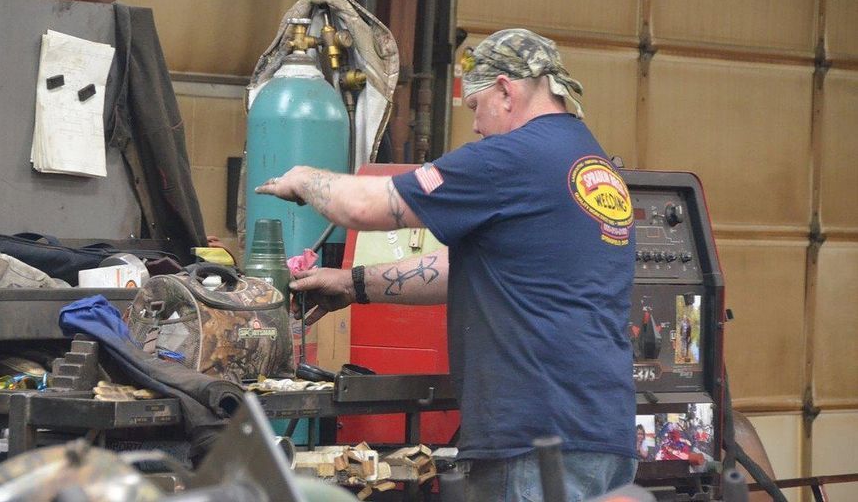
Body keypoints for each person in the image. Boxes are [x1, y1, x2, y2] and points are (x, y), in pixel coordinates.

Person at [256, 28, 637, 501]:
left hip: (535, 439)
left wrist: (304, 176)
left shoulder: (511, 157)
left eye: (475, 107)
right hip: (604, 431)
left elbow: (365, 207)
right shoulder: (591, 164)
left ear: (505, 89)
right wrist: (354, 283)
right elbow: (476, 268)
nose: (475, 126)